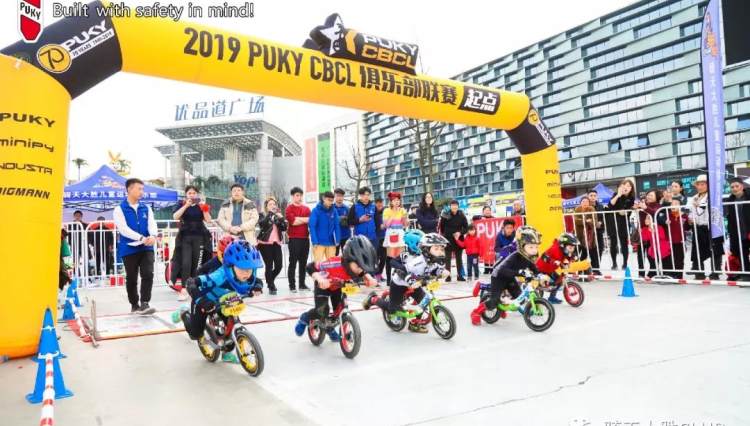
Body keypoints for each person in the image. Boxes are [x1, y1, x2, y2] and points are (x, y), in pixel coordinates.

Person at [181, 240, 264, 362]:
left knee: (231, 325)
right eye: (243, 268)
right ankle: (184, 314)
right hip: (205, 301)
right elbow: (191, 283)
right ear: (231, 266)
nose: (247, 273)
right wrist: (202, 301)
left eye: (250, 268)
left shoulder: (247, 275)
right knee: (195, 334)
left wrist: (257, 287)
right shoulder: (219, 276)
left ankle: (226, 353)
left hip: (224, 301)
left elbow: (257, 281)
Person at [294, 236, 378, 339]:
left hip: (338, 287)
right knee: (322, 311)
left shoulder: (356, 267)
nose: (360, 270)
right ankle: (304, 318)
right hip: (323, 286)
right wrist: (320, 279)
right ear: (348, 259)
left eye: (363, 267)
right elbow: (310, 267)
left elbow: (362, 272)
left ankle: (329, 328)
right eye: (358, 266)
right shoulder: (334, 263)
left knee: (340, 309)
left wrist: (370, 278)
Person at [363, 233, 450, 333]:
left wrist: (441, 272)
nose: (440, 252)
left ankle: (414, 324)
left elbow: (434, 269)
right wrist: (410, 279)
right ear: (426, 250)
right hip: (399, 284)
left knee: (423, 302)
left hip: (415, 284)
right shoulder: (417, 262)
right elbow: (401, 272)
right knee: (393, 309)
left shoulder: (433, 261)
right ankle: (373, 299)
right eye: (436, 249)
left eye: (441, 249)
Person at [469, 226, 545, 325]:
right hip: (498, 277)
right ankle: (476, 312)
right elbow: (502, 270)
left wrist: (540, 275)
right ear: (522, 246)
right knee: (494, 301)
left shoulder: (528, 257)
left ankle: (502, 307)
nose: (534, 250)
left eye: (536, 247)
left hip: (509, 278)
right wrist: (520, 272)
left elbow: (534, 269)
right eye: (531, 247)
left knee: (519, 297)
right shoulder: (515, 256)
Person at [113, 178, 158, 315]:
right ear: (129, 189)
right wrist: (140, 238)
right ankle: (134, 304)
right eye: (139, 189)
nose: (142, 192)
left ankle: (145, 303)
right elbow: (123, 229)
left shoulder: (146, 208)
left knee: (148, 273)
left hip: (146, 247)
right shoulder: (119, 209)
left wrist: (153, 236)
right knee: (132, 278)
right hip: (129, 248)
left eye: (142, 189)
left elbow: (152, 224)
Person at [172, 185, 213, 300]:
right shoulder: (181, 204)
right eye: (189, 193)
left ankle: (194, 287)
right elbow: (175, 216)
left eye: (194, 193)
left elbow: (208, 220)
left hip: (199, 237)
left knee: (197, 263)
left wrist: (204, 208)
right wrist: (186, 205)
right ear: (186, 195)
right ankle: (184, 288)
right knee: (186, 263)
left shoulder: (201, 205)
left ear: (197, 194)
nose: (192, 195)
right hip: (185, 237)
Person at [687, 175, 723, 280]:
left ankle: (715, 272)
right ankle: (698, 272)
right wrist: (690, 219)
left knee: (715, 249)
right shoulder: (693, 198)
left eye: (703, 184)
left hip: (712, 226)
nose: (700, 187)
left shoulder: (713, 197)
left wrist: (699, 206)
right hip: (698, 226)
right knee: (697, 249)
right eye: (698, 184)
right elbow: (690, 212)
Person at [535, 232, 579, 304]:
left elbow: (568, 257)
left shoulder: (565, 251)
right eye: (570, 248)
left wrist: (573, 258)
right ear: (563, 245)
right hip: (542, 268)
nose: (572, 250)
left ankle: (552, 298)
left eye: (573, 248)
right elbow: (544, 256)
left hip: (551, 269)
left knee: (559, 280)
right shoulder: (555, 249)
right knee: (551, 280)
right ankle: (543, 288)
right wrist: (553, 261)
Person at [257, 196, 288, 294]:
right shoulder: (262, 215)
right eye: (270, 204)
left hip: (276, 243)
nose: (272, 206)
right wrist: (270, 214)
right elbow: (262, 224)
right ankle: (271, 286)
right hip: (264, 244)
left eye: (274, 204)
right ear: (266, 206)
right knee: (269, 265)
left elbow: (284, 228)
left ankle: (270, 279)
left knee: (279, 265)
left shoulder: (278, 215)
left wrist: (281, 218)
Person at [605, 179, 636, 270]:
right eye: (625, 185)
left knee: (624, 243)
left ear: (631, 188)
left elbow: (629, 210)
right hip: (613, 221)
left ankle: (625, 263)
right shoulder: (616, 194)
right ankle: (614, 263)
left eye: (629, 186)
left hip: (623, 222)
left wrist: (626, 212)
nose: (626, 187)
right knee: (613, 242)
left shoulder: (631, 198)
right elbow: (610, 205)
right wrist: (618, 195)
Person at [286, 187, 312, 292]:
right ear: (292, 196)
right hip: (294, 239)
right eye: (297, 195)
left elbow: (310, 220)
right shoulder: (289, 208)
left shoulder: (307, 209)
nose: (299, 197)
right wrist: (304, 220)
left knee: (303, 263)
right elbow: (293, 222)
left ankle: (302, 284)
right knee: (293, 263)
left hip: (305, 238)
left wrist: (298, 218)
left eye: (301, 195)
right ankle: (292, 285)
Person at [725, 177, 750, 281]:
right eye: (732, 187)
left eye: (737, 186)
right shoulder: (729, 200)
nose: (735, 189)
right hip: (738, 233)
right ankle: (746, 275)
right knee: (742, 254)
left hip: (748, 230)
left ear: (742, 186)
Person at [382, 192, 409, 285]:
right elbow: (386, 225)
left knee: (400, 257)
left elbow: (405, 224)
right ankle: (388, 279)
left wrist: (405, 218)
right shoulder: (387, 211)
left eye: (398, 200)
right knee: (390, 257)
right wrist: (394, 213)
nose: (397, 202)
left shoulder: (402, 210)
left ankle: (399, 277)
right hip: (391, 234)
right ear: (391, 201)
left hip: (400, 234)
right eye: (394, 200)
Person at [440, 200, 468, 282]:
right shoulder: (445, 214)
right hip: (448, 239)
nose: (454, 207)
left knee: (459, 258)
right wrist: (446, 234)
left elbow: (466, 227)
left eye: (456, 205)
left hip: (458, 239)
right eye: (452, 205)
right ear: (450, 206)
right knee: (447, 259)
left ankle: (460, 275)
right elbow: (442, 227)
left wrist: (460, 233)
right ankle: (448, 276)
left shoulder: (461, 214)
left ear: (458, 206)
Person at [310, 191, 341, 262]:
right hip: (319, 242)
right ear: (323, 198)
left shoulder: (334, 211)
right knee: (317, 264)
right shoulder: (316, 210)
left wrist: (338, 239)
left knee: (332, 263)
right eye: (329, 200)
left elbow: (337, 226)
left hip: (331, 242)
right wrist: (314, 241)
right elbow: (312, 226)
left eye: (332, 201)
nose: (330, 202)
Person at [641, 213, 672, 278]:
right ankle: (653, 272)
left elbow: (662, 237)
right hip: (653, 247)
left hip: (663, 247)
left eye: (648, 218)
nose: (646, 220)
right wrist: (641, 232)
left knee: (666, 262)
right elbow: (645, 239)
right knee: (651, 257)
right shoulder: (645, 229)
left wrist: (654, 231)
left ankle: (666, 273)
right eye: (646, 218)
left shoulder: (659, 227)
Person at [666, 199, 688, 279]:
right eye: (672, 204)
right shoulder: (667, 215)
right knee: (670, 258)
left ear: (680, 206)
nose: (673, 205)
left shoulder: (684, 216)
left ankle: (679, 275)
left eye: (676, 203)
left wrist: (689, 222)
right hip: (670, 241)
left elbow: (687, 228)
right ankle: (671, 274)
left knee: (679, 259)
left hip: (680, 241)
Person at [588, 190, 605, 274]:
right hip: (589, 232)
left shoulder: (600, 206)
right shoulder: (586, 206)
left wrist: (600, 223)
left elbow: (603, 217)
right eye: (591, 195)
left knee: (600, 249)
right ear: (588, 196)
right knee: (592, 251)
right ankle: (594, 269)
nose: (593, 197)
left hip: (599, 231)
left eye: (594, 195)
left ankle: (596, 268)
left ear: (597, 197)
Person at [333, 188, 351, 255]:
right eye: (338, 196)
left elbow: (350, 221)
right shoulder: (331, 208)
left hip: (346, 236)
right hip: (334, 236)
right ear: (334, 196)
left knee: (346, 256)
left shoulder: (347, 208)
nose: (340, 198)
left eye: (341, 196)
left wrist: (346, 220)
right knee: (334, 256)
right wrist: (341, 218)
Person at [374, 197, 387, 281]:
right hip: (375, 238)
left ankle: (380, 274)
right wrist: (379, 226)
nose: (380, 205)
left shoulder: (386, 212)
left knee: (383, 258)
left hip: (384, 238)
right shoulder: (373, 213)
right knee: (376, 257)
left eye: (381, 204)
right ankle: (375, 274)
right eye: (378, 204)